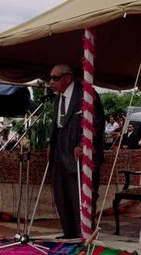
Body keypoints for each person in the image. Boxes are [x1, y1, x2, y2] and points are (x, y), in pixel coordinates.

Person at [48, 64, 105, 239]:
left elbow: (96, 122)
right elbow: (58, 125)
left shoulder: (86, 93)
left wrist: (84, 144)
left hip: (79, 149)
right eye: (50, 78)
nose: (51, 82)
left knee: (78, 193)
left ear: (68, 77)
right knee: (61, 191)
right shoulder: (58, 97)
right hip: (60, 149)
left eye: (55, 78)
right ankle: (69, 232)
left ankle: (84, 232)